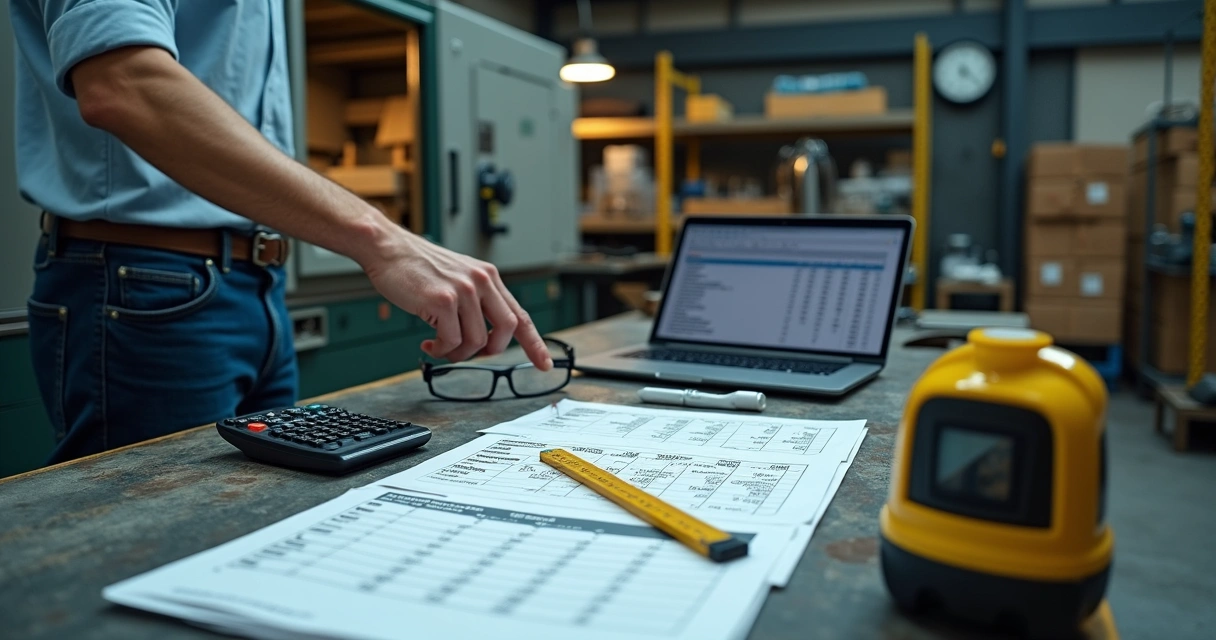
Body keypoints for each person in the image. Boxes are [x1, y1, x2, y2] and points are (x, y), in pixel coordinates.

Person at [11, 0, 552, 464]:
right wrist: (385, 240)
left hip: (258, 284)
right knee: (153, 543)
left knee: (259, 517)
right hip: (147, 284)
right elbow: (121, 83)